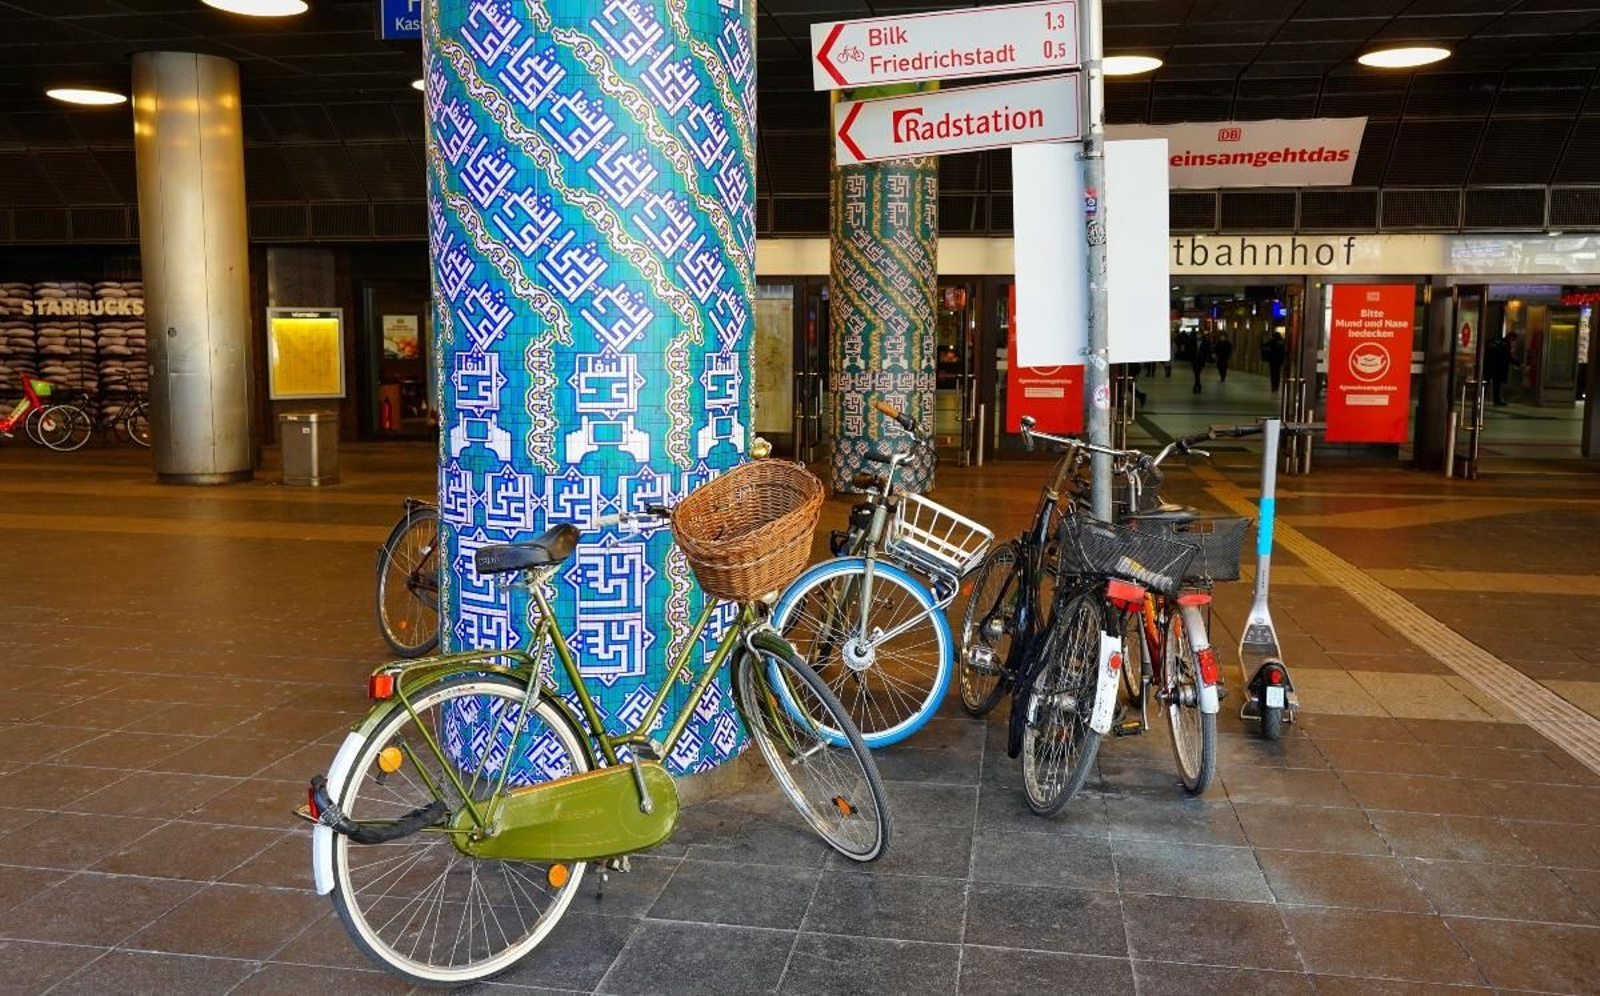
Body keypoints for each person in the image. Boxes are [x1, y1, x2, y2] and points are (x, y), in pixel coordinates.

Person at [1485, 331, 1511, 406]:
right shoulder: (1503, 345)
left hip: (1491, 368)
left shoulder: (1493, 344)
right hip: (1496, 369)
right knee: (1495, 385)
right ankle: (1496, 400)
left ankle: (1483, 398)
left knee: (1489, 384)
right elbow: (1507, 357)